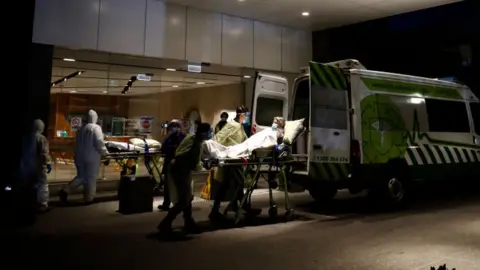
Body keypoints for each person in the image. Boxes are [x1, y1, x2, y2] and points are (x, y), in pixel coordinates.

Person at [209, 106, 261, 221]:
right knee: (236, 183)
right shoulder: (233, 125)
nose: (247, 117)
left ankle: (232, 207)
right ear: (241, 115)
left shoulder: (238, 126)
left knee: (231, 185)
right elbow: (219, 138)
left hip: (235, 158)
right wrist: (219, 151)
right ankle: (242, 207)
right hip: (231, 159)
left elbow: (244, 141)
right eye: (246, 115)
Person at [157, 123, 211, 234]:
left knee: (187, 196)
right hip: (179, 170)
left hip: (180, 169)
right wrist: (201, 165)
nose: (210, 134)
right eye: (209, 132)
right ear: (203, 133)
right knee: (184, 199)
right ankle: (166, 222)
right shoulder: (195, 143)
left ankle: (189, 222)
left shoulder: (192, 138)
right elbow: (189, 158)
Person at [59, 110, 109, 204]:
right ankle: (89, 199)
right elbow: (99, 143)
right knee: (91, 178)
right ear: (95, 117)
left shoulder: (81, 129)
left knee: (81, 176)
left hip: (79, 157)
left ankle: (66, 190)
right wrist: (106, 154)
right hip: (92, 158)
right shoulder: (96, 128)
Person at [19, 119, 52, 213]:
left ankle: (25, 204)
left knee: (27, 184)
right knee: (43, 185)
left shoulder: (25, 137)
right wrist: (48, 163)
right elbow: (44, 153)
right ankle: (42, 204)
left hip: (25, 165)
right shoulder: (42, 138)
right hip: (38, 165)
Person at [157, 120, 186, 211]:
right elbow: (163, 148)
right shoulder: (168, 138)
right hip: (169, 163)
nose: (174, 128)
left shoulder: (183, 138)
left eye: (176, 126)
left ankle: (179, 203)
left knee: (179, 185)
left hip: (179, 164)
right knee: (167, 185)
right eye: (172, 127)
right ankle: (166, 203)